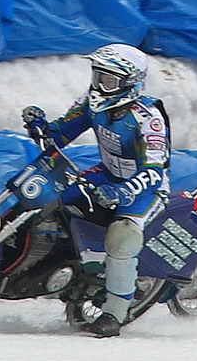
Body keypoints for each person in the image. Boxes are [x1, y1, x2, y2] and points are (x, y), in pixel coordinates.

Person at [22, 43, 170, 338]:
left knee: (122, 237)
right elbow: (61, 133)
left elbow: (154, 170)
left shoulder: (148, 119)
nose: (100, 85)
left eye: (109, 80)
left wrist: (123, 193)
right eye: (98, 76)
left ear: (131, 84)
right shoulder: (92, 103)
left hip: (143, 188)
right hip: (107, 174)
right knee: (48, 199)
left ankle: (115, 313)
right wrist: (41, 127)